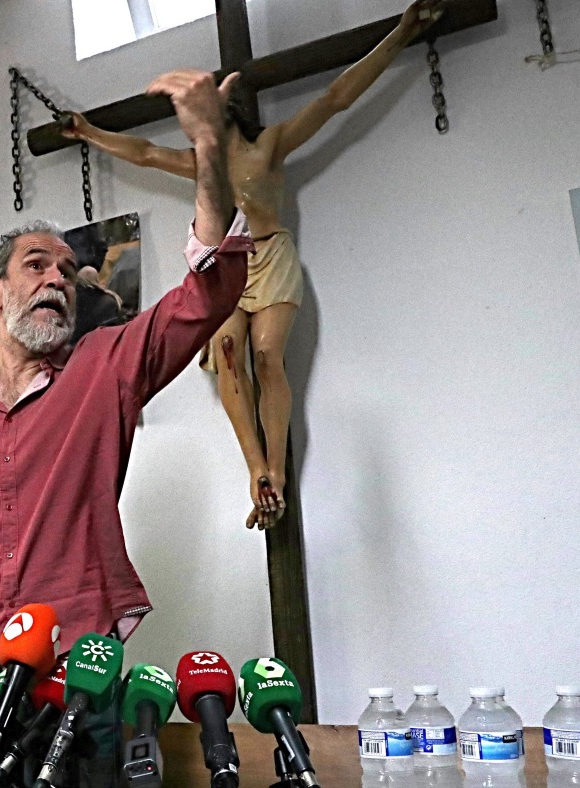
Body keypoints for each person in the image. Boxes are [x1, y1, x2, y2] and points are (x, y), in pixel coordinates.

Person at [0, 69, 251, 788]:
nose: (58, 279)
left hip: (80, 679)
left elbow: (210, 294)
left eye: (69, 273)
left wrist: (206, 143)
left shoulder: (105, 367)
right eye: (36, 265)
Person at [63, 1, 441, 530]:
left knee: (267, 356)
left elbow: (336, 98)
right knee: (225, 349)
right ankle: (256, 468)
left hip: (271, 257)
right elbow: (146, 153)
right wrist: (89, 133)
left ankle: (278, 473)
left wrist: (400, 34)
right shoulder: (201, 163)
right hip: (224, 264)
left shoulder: (269, 146)